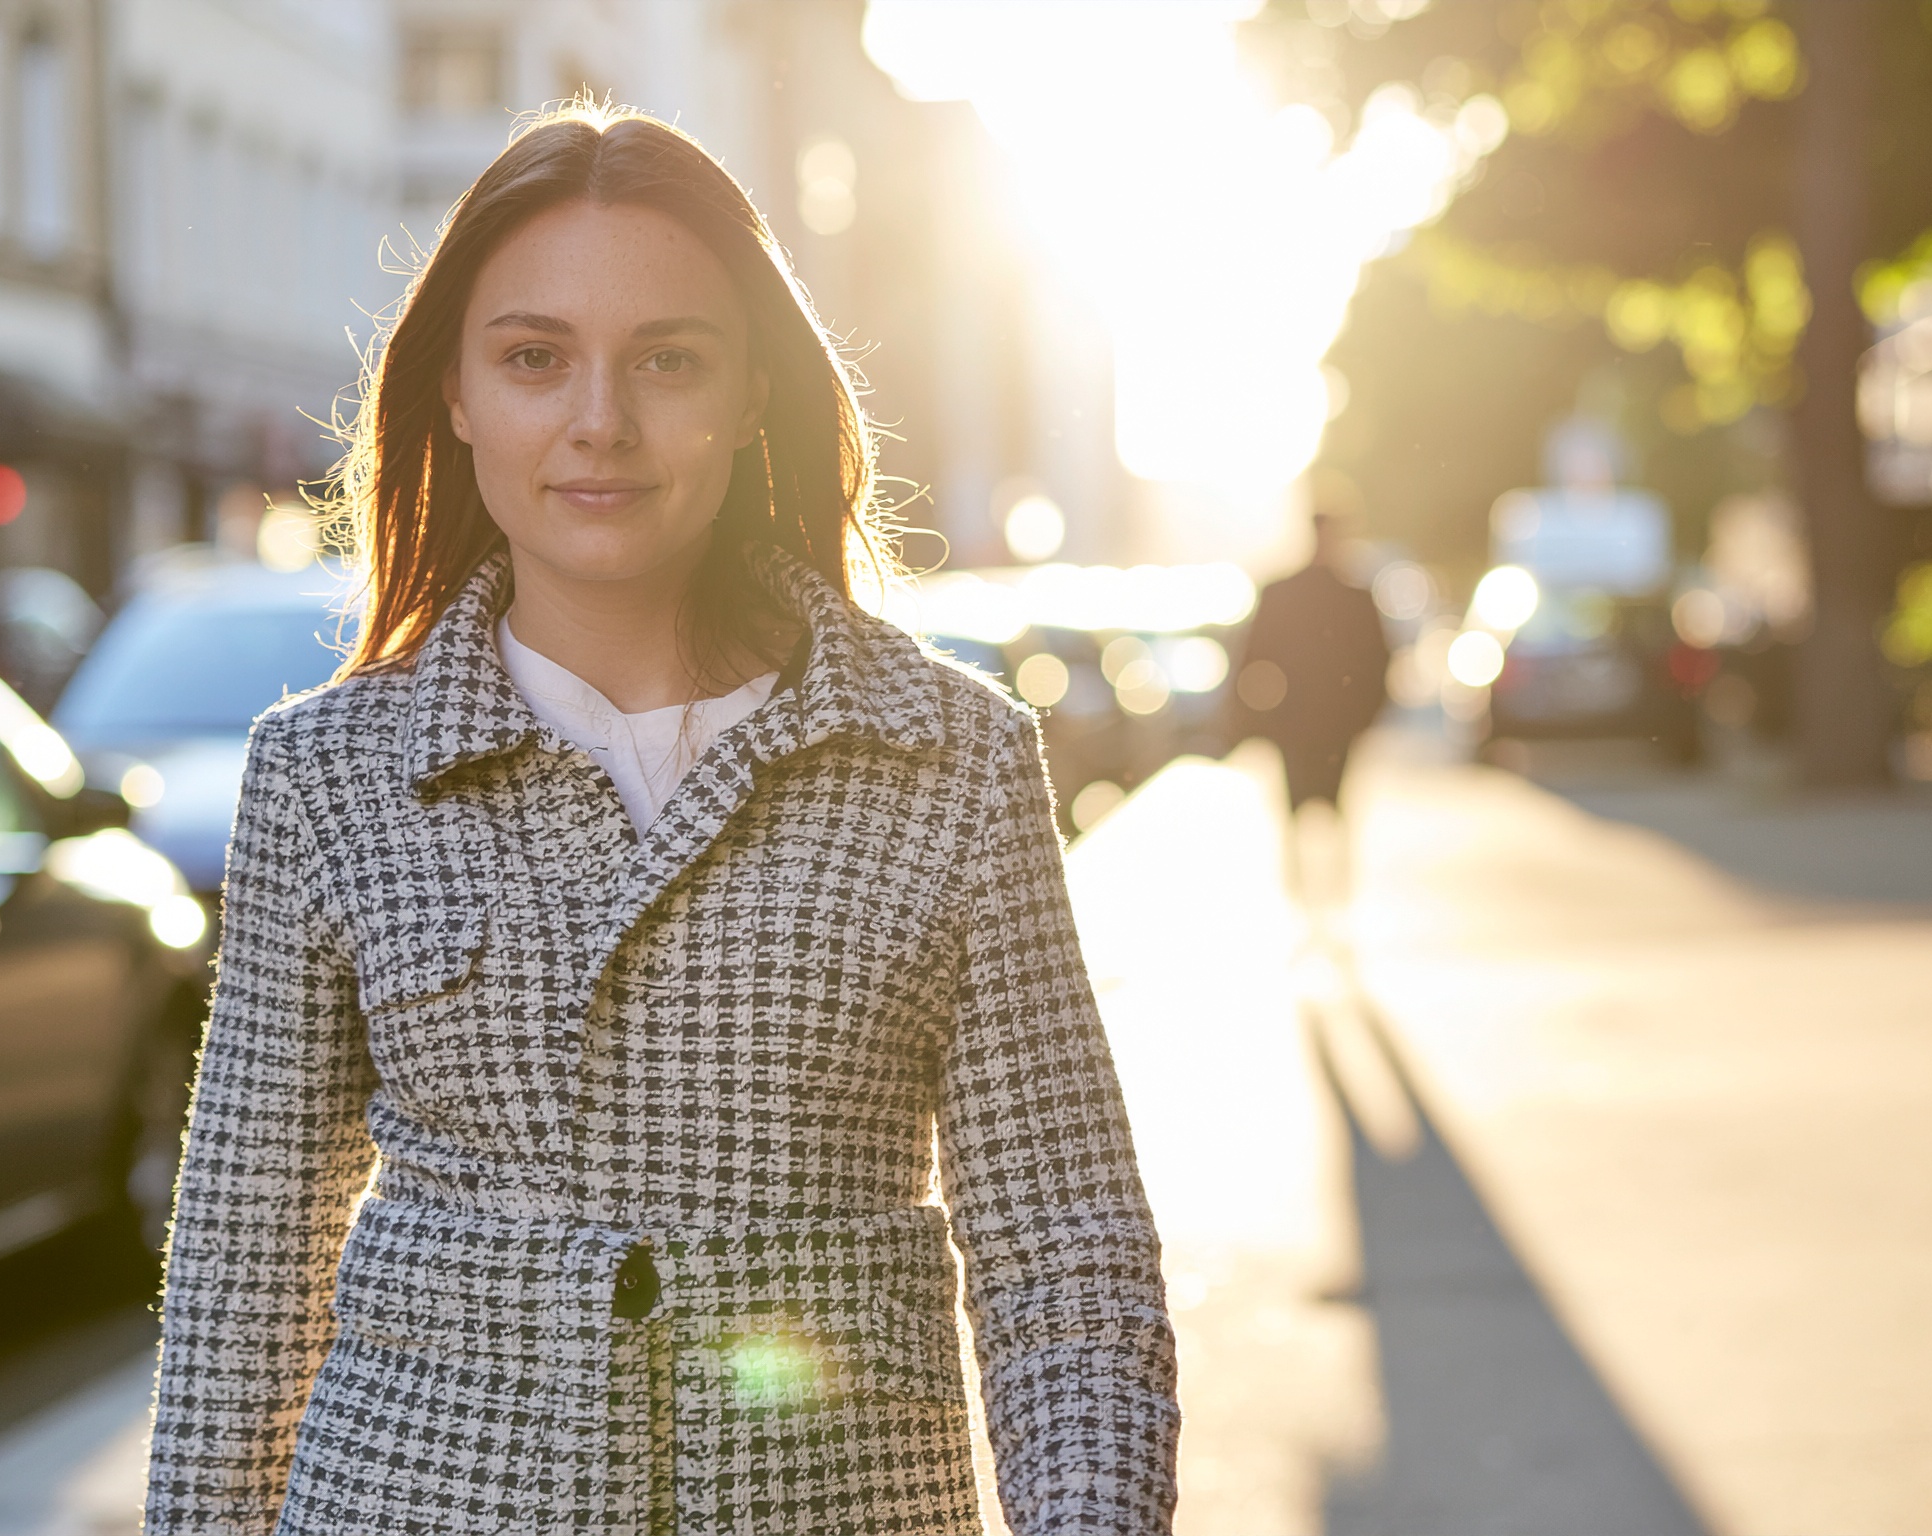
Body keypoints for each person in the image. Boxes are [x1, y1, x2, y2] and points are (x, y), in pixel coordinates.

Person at [143, 106, 1179, 1535]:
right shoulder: (327, 775)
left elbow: (1064, 1260)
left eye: (668, 361)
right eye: (533, 358)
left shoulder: (954, 760)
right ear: (454, 391)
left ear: (754, 390)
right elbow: (243, 1280)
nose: (599, 422)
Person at [1236, 511, 1393, 813]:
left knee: (1315, 796)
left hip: (1317, 715)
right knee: (1317, 797)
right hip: (1312, 715)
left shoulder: (1285, 593)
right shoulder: (1352, 598)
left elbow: (1254, 659)